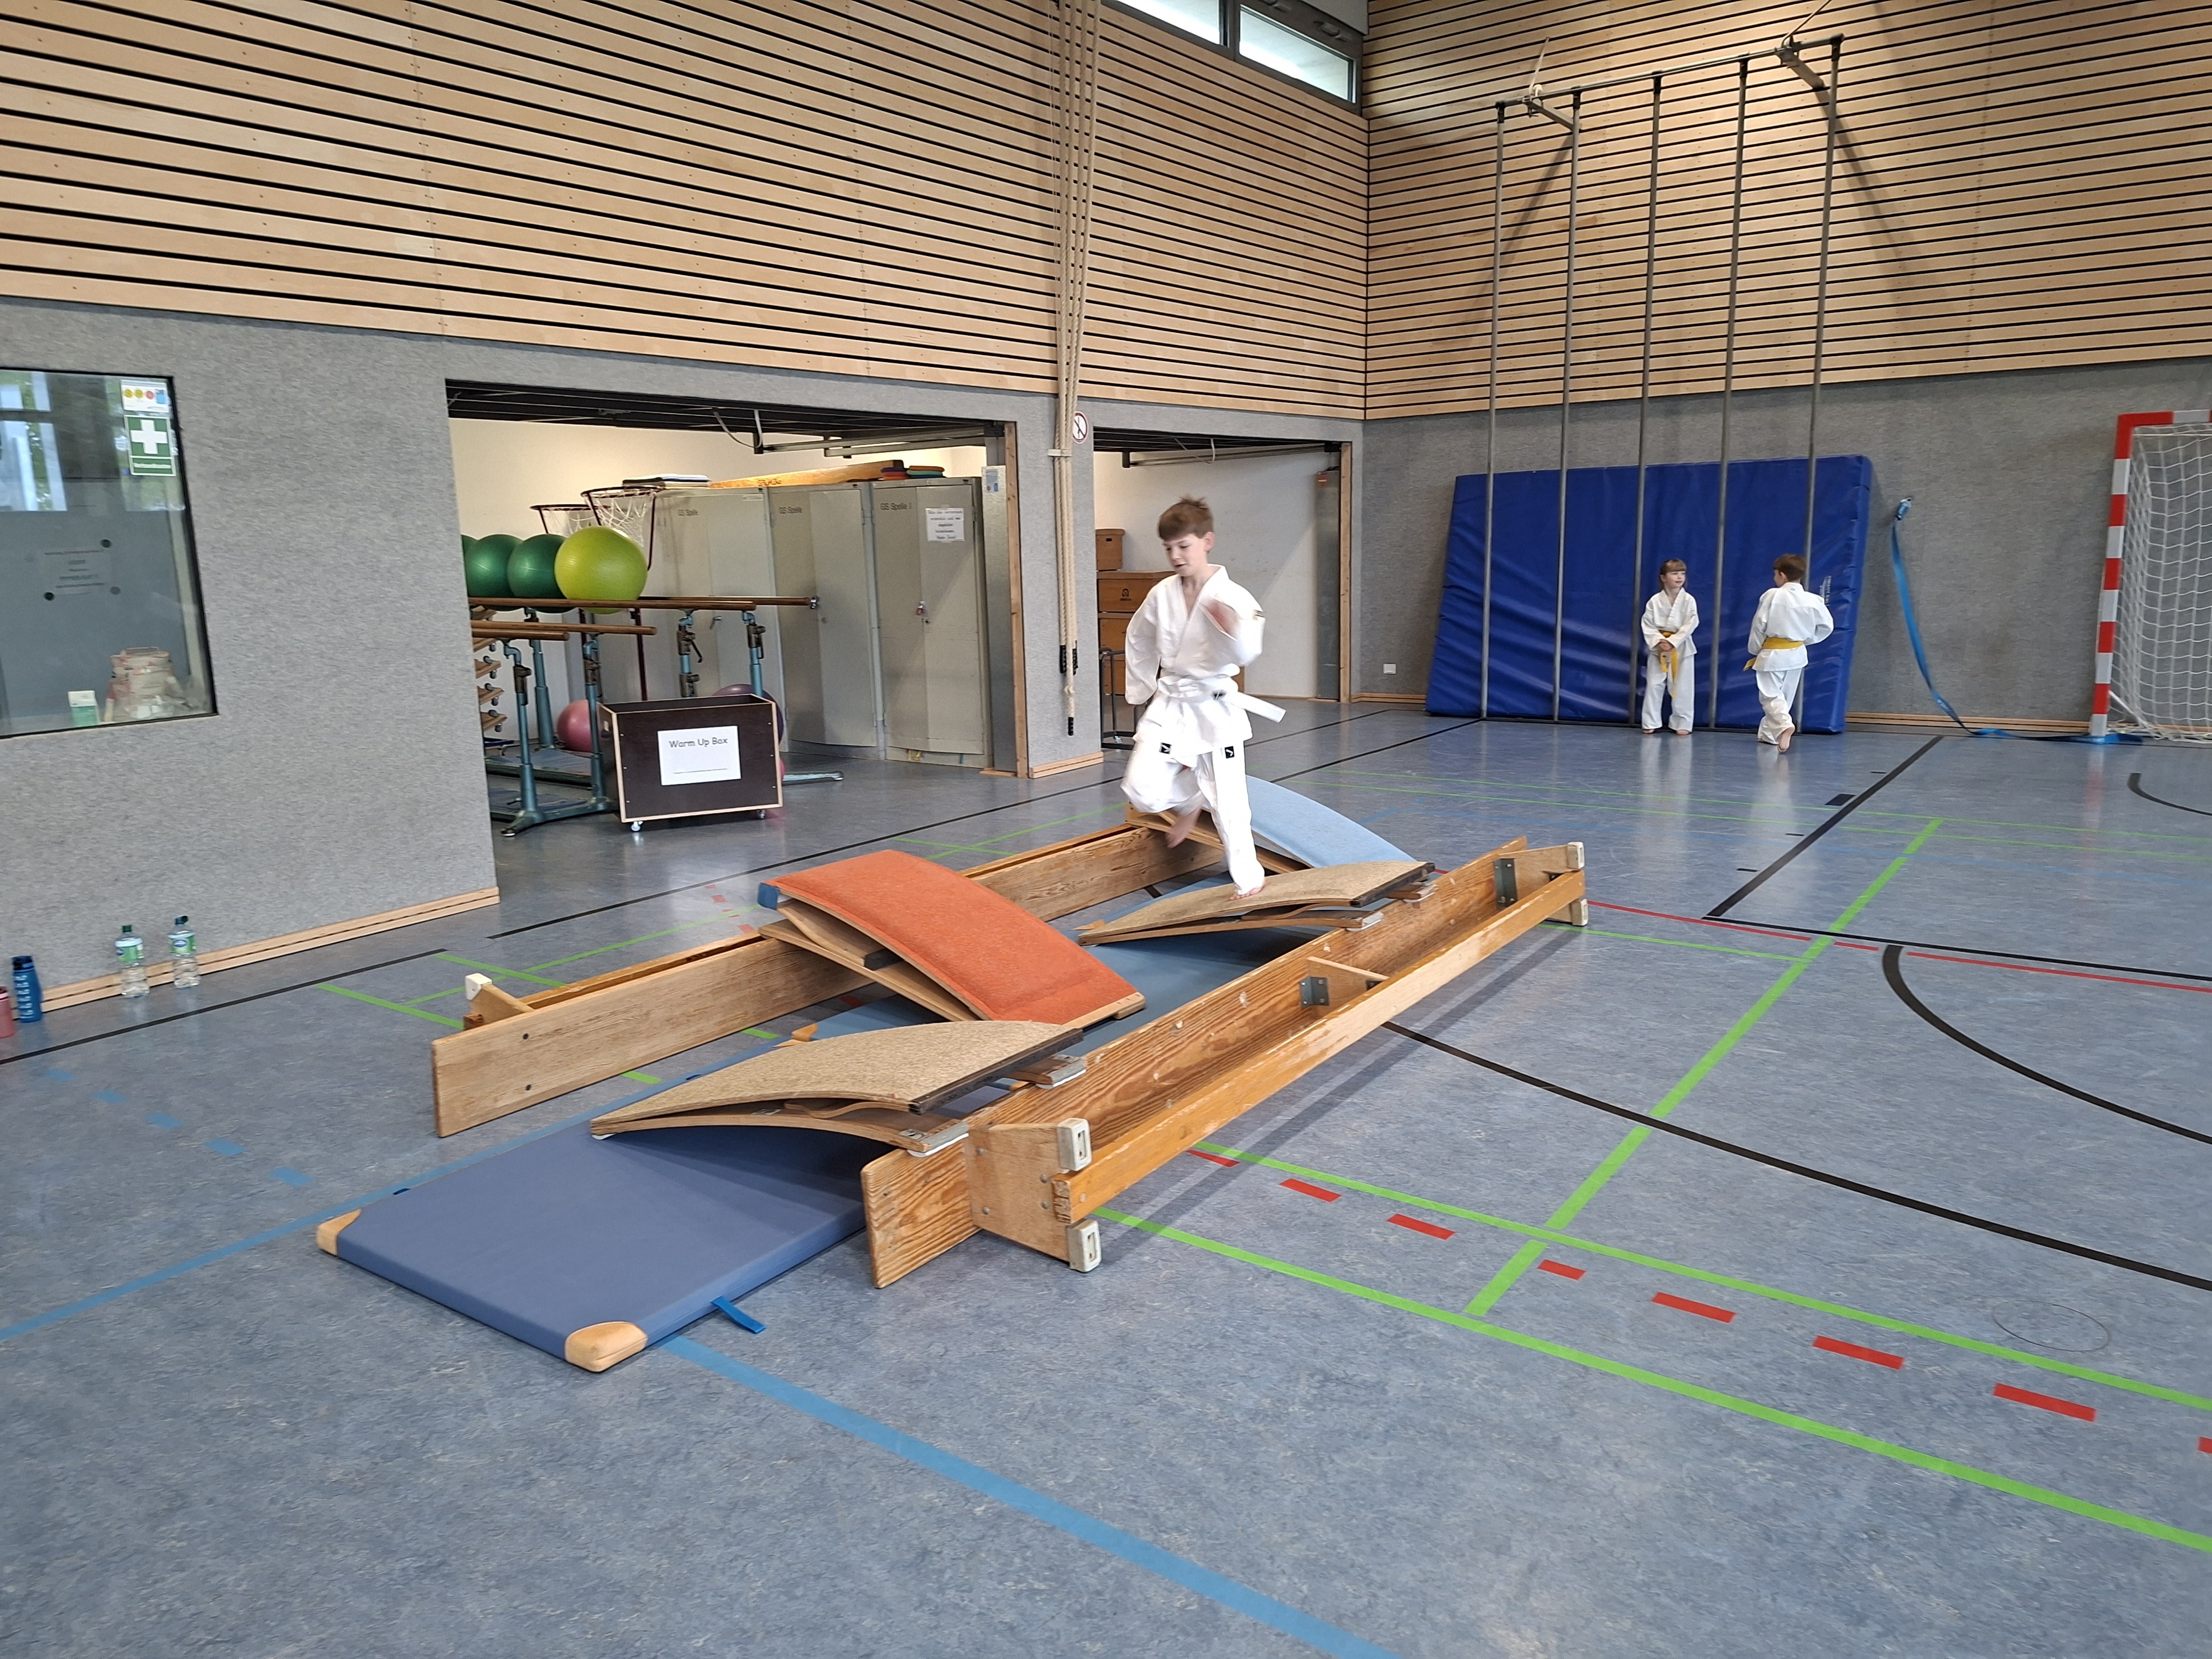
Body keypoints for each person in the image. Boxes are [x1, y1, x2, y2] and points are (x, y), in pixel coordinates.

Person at [1121, 495, 1284, 895]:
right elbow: (1138, 636)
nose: (1176, 556)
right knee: (1141, 790)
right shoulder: (1161, 594)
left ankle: (1249, 881)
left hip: (1213, 708)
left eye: (1184, 546)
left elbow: (1248, 653)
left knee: (1229, 803)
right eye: (1169, 548)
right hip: (1172, 704)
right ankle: (1192, 797)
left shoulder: (1233, 597)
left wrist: (1231, 630)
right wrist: (1141, 686)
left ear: (1207, 541)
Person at [1744, 553, 1834, 752]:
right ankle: (1769, 735)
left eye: (1775, 574)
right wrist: (1806, 639)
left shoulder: (1772, 596)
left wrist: (1755, 649)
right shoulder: (1814, 600)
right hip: (1798, 653)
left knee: (1770, 696)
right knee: (1784, 696)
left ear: (1782, 575)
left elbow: (1759, 625)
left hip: (1773, 653)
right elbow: (1827, 627)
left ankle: (1785, 725)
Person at [1640, 558, 1698, 735]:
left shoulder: (1688, 600)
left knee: (1683, 686)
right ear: (1664, 578)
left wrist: (1673, 641)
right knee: (1654, 685)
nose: (1680, 577)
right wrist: (1660, 641)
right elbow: (1647, 624)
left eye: (1682, 574)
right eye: (1674, 574)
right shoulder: (1654, 601)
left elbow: (1691, 623)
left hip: (1682, 647)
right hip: (1659, 648)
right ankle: (1650, 721)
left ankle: (1683, 723)